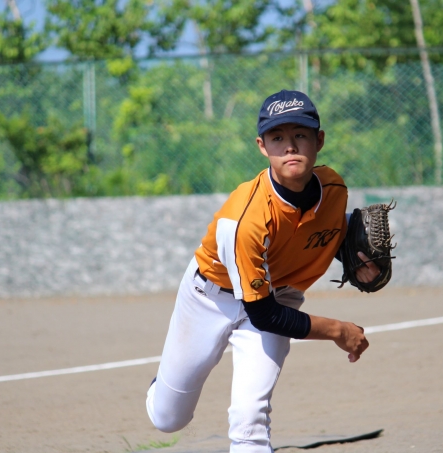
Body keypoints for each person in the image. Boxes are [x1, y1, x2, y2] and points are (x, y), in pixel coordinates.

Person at [146, 89, 379, 453]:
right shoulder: (244, 219)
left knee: (250, 416)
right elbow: (265, 315)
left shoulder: (334, 188)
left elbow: (316, 231)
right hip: (210, 299)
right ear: (262, 146)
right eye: (277, 137)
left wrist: (353, 252)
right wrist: (338, 330)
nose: (290, 146)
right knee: (168, 418)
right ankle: (161, 387)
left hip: (278, 295)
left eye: (300, 134)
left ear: (319, 140)